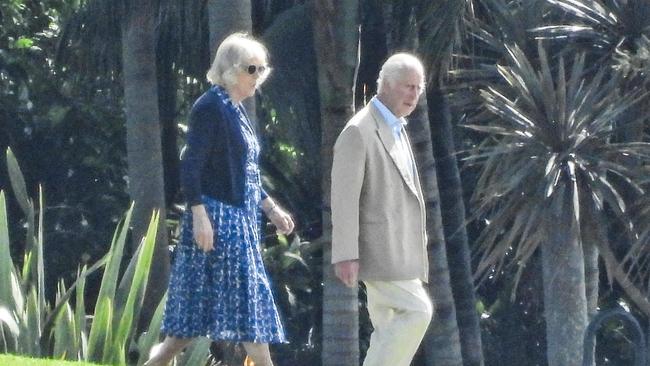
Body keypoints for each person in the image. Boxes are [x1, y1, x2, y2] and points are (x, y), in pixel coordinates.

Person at [145, 33, 294, 366]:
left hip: (239, 219)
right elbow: (191, 166)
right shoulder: (210, 107)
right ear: (231, 70)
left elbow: (241, 173)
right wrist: (199, 215)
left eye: (262, 69)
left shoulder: (235, 110)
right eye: (251, 69)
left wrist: (270, 208)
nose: (258, 76)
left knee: (187, 326)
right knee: (248, 307)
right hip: (218, 221)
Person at [330, 53, 433, 366]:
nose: (413, 94)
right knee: (419, 312)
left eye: (418, 88)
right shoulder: (358, 131)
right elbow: (343, 197)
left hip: (400, 250)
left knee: (388, 328)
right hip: (379, 250)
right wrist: (345, 254)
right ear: (386, 86)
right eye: (407, 87)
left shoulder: (397, 127)